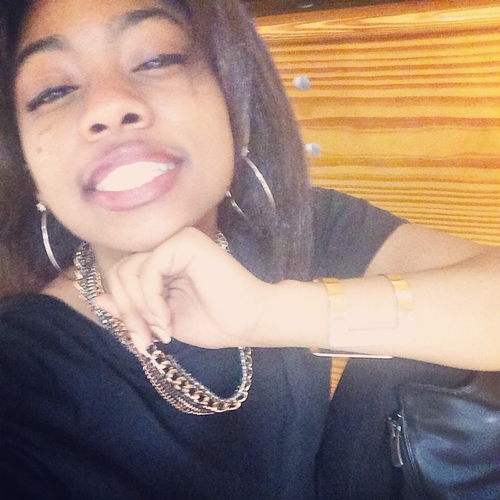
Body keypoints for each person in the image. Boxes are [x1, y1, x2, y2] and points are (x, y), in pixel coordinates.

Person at [0, 0, 498, 498]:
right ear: (29, 169)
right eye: (53, 91)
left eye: (157, 59)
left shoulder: (301, 229)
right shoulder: (21, 371)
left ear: (232, 101)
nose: (108, 106)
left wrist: (272, 313)